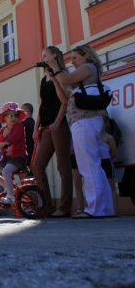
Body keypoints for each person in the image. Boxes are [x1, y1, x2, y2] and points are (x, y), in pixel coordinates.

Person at [47, 44, 114, 218]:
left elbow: (66, 80)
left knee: (88, 166)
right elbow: (65, 92)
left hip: (84, 122)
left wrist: (55, 67)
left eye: (75, 57)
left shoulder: (88, 67)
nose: (73, 62)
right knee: (95, 166)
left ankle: (94, 209)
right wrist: (55, 76)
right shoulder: (86, 74)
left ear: (86, 56)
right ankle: (105, 209)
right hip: (86, 122)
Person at [31, 46, 72, 218]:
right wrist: (36, 128)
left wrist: (57, 122)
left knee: (63, 166)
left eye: (46, 55)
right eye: (42, 56)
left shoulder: (63, 74)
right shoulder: (43, 80)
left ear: (54, 56)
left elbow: (65, 101)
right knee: (37, 166)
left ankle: (64, 207)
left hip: (60, 124)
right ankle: (47, 205)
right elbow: (43, 105)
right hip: (46, 127)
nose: (44, 58)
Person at [0, 102, 28, 205]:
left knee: (6, 171)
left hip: (18, 157)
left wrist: (7, 141)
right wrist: (4, 136)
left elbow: (17, 137)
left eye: (16, 115)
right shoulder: (3, 130)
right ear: (5, 118)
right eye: (10, 115)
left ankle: (10, 197)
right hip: (6, 158)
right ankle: (7, 187)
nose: (13, 117)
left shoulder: (19, 126)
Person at [21, 103, 35, 168]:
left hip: (25, 154)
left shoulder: (23, 124)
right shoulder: (34, 123)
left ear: (26, 111)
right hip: (34, 152)